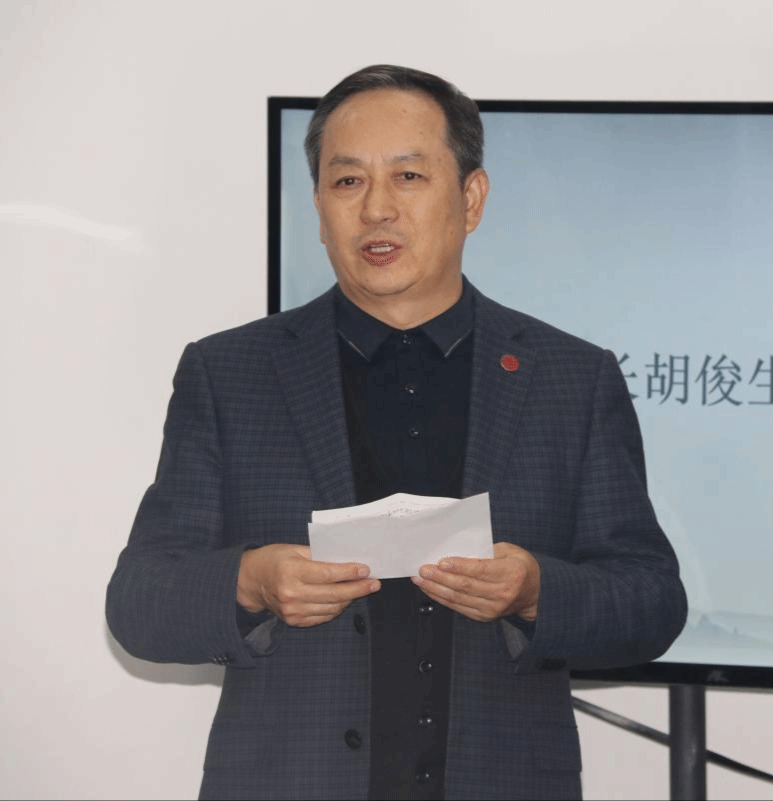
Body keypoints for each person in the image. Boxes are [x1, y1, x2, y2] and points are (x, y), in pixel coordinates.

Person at [106, 64, 687, 801]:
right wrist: (251, 582)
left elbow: (651, 600)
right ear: (319, 207)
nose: (376, 208)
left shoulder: (571, 378)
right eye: (347, 181)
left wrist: (537, 591)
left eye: (408, 176)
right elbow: (140, 603)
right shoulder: (230, 373)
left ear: (471, 198)